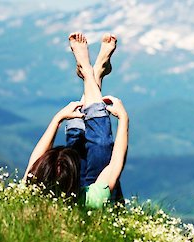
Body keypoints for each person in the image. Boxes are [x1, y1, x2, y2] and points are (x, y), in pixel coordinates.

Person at [24, 32, 128, 208]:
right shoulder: (91, 203)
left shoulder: (32, 194)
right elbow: (115, 163)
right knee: (100, 146)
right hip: (103, 200)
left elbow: (35, 163)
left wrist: (58, 119)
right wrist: (123, 119)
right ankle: (92, 73)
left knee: (78, 138)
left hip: (67, 184)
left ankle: (93, 73)